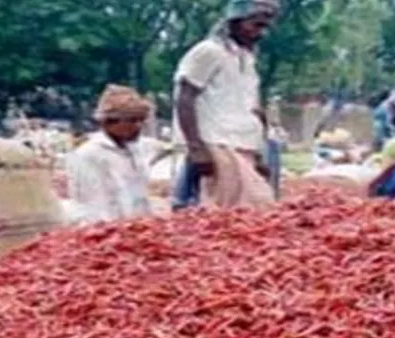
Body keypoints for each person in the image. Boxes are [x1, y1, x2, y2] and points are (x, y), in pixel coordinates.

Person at [173, 0, 279, 209]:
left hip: (242, 143)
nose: (261, 33)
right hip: (216, 143)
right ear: (234, 22)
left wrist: (258, 153)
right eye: (256, 25)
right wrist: (196, 148)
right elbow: (185, 97)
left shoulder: (247, 58)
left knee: (249, 213)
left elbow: (251, 107)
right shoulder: (208, 51)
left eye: (265, 26)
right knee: (234, 211)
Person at [67, 85, 155, 223]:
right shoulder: (90, 155)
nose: (138, 126)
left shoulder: (134, 150)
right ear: (109, 122)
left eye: (141, 120)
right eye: (131, 120)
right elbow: (93, 204)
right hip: (106, 231)